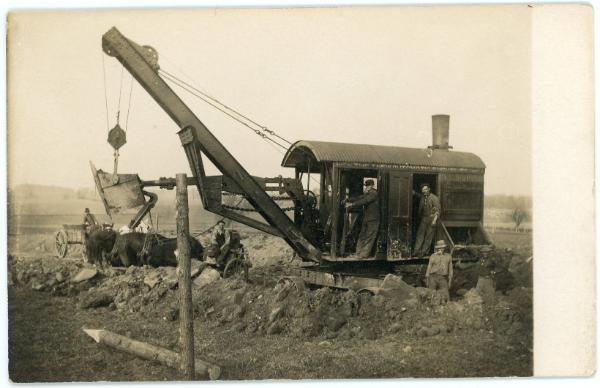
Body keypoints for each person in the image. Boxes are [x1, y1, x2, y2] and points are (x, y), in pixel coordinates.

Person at [345, 179, 380, 258]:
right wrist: (347, 199)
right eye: (366, 186)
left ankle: (363, 255)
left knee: (369, 237)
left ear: (371, 186)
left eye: (368, 186)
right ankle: (358, 253)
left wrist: (351, 204)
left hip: (373, 219)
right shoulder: (368, 193)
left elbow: (365, 200)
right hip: (367, 218)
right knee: (362, 236)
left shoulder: (374, 193)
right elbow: (359, 198)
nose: (366, 187)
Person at [413, 183, 441, 258]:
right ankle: (416, 251)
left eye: (425, 189)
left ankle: (423, 252)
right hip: (424, 218)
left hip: (432, 219)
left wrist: (434, 221)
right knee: (420, 235)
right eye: (422, 190)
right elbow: (419, 196)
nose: (424, 191)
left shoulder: (434, 198)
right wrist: (415, 193)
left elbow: (438, 211)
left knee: (428, 236)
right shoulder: (423, 197)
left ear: (429, 189)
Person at [425, 240, 453, 304]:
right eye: (439, 247)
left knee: (447, 296)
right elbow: (429, 267)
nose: (441, 249)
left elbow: (450, 269)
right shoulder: (433, 256)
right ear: (437, 248)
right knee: (431, 294)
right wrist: (427, 279)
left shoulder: (448, 256)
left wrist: (450, 280)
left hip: (442, 278)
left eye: (442, 247)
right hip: (433, 277)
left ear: (444, 248)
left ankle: (448, 308)